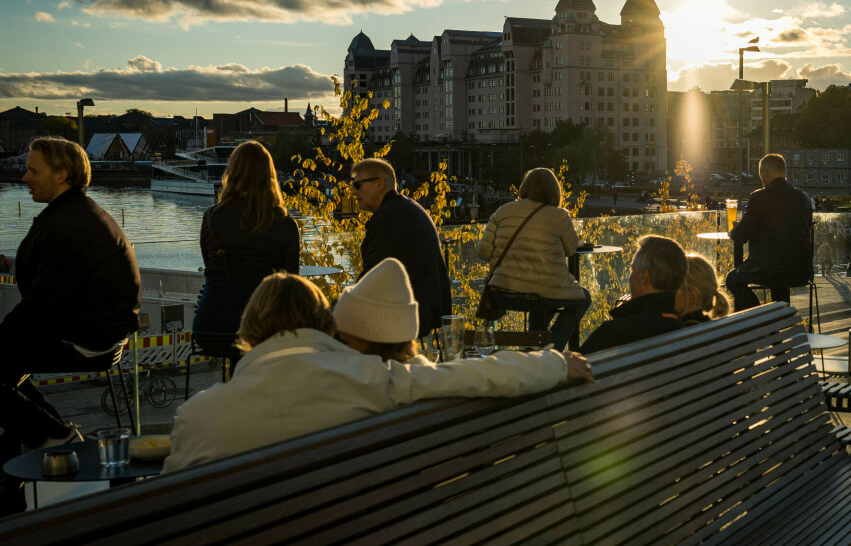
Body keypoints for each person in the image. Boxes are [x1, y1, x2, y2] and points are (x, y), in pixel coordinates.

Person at [165, 268, 593, 472]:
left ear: (250, 333)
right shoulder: (371, 381)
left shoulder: (196, 418)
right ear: (322, 325)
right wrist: (555, 363)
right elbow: (476, 374)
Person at [0, 137, 140, 513]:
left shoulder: (68, 227)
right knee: (7, 378)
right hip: (94, 331)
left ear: (62, 174)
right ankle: (46, 439)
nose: (24, 176)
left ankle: (55, 439)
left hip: (83, 337)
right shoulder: (78, 214)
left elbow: (43, 305)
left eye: (33, 170)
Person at [193, 141, 299, 362]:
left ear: (231, 172)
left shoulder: (211, 217)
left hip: (211, 326)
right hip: (260, 326)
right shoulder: (284, 224)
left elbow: (211, 268)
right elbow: (291, 284)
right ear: (269, 175)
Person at [477, 168, 591, 349]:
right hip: (544, 294)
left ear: (525, 187)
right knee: (583, 298)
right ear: (554, 191)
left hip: (502, 293)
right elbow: (570, 249)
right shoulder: (560, 215)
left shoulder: (502, 211)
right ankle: (552, 349)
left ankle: (533, 348)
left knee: (538, 298)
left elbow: (483, 252)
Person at [351, 158, 451, 338]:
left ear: (380, 184)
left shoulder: (390, 217)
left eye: (358, 185)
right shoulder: (404, 208)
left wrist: (341, 305)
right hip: (425, 307)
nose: (353, 191)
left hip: (409, 311)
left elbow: (372, 275)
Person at [726, 154, 813, 311]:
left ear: (765, 172)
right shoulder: (804, 198)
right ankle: (778, 323)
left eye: (761, 173)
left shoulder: (759, 197)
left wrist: (733, 230)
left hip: (768, 269)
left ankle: (763, 320)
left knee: (732, 280)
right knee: (780, 280)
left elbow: (740, 236)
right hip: (803, 269)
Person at [580, 235, 688, 354]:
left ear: (644, 276)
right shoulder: (681, 328)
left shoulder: (614, 333)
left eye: (633, 270)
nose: (630, 278)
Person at [676, 253, 732, 326]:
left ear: (691, 297)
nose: (664, 292)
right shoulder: (705, 328)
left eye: (672, 287)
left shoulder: (680, 331)